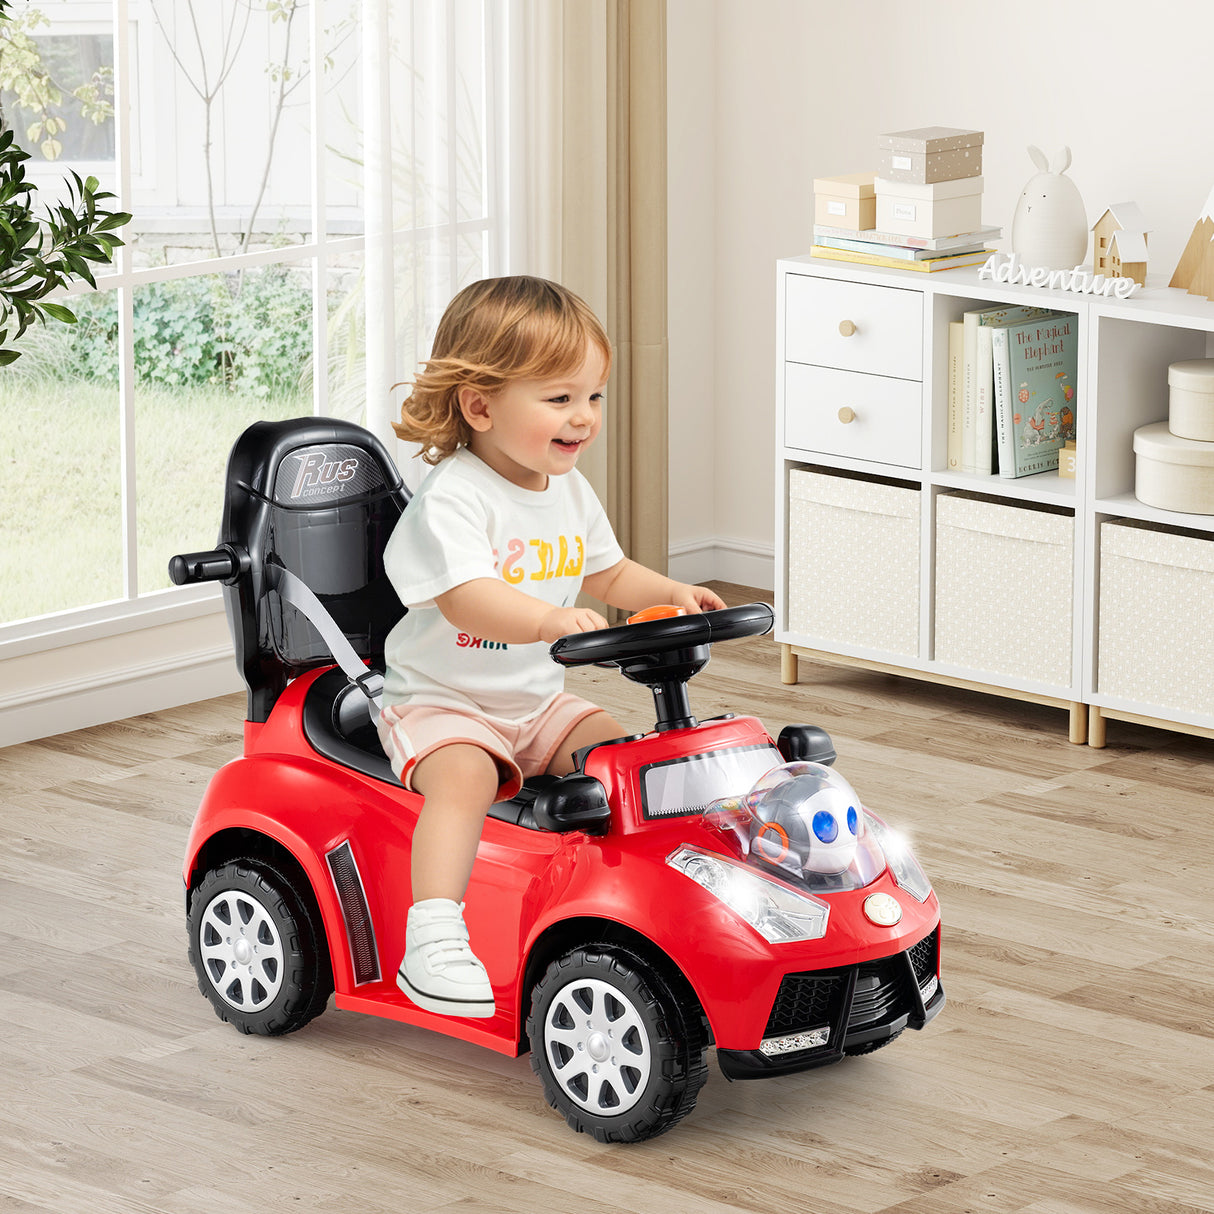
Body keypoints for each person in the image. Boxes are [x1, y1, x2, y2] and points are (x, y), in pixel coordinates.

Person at [377, 275, 725, 1018]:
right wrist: (544, 621)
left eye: (593, 397)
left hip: (537, 704)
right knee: (466, 777)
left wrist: (675, 592)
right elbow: (466, 595)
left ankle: (654, 901)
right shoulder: (456, 499)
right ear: (480, 405)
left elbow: (609, 570)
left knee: (626, 761)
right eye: (560, 398)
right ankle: (432, 935)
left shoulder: (566, 488)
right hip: (445, 703)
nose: (584, 418)